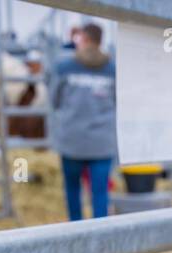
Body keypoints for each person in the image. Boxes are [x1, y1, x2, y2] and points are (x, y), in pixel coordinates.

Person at [51, 23, 116, 220]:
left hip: (72, 140)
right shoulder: (112, 69)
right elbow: (118, 100)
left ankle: (76, 234)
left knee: (72, 190)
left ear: (85, 39)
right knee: (100, 193)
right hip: (102, 142)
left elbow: (55, 100)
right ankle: (101, 239)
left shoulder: (64, 67)